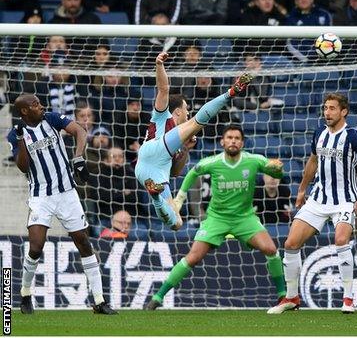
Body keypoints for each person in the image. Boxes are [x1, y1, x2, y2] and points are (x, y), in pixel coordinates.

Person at [143, 125, 287, 309]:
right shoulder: (213, 162)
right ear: (222, 141)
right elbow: (194, 171)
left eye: (237, 138)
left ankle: (283, 296)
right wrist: (179, 198)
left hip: (245, 218)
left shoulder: (254, 160)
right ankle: (158, 297)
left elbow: (276, 172)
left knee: (271, 249)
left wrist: (278, 170)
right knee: (193, 257)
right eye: (229, 137)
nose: (233, 140)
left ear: (242, 143)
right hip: (217, 218)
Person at [267, 93, 357, 314]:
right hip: (318, 198)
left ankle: (348, 299)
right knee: (290, 244)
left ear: (343, 111)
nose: (327, 112)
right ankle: (291, 298)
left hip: (345, 200)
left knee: (340, 240)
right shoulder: (319, 132)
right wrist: (301, 190)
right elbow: (312, 161)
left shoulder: (354, 136)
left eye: (332, 108)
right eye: (325, 108)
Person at [7, 93, 117, 315]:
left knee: (83, 242)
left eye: (39, 102)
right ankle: (25, 294)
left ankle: (99, 300)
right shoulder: (15, 134)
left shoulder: (52, 118)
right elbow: (23, 167)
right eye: (35, 104)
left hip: (67, 193)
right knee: (36, 247)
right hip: (41, 196)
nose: (41, 106)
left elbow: (79, 130)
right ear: (24, 112)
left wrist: (77, 157)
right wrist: (20, 139)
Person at [133, 52, 253, 231]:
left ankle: (156, 198)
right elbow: (164, 88)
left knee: (176, 223)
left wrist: (186, 150)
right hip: (154, 150)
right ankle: (231, 92)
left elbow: (174, 173)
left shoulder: (178, 142)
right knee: (198, 122)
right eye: (186, 109)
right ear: (178, 111)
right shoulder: (162, 115)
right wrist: (159, 65)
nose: (187, 112)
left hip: (149, 172)